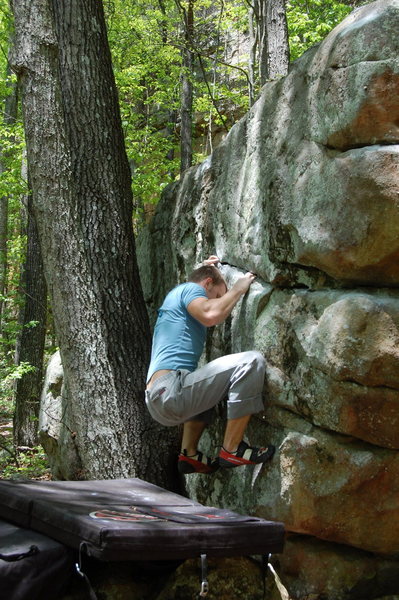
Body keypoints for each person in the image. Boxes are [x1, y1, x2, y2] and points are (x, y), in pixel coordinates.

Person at [145, 256, 275, 474]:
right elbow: (211, 313)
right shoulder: (188, 289)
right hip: (170, 391)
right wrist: (238, 289)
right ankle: (232, 449)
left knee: (208, 386)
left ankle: (190, 454)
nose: (220, 301)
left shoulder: (177, 299)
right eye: (217, 296)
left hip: (158, 400)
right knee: (251, 361)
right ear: (206, 284)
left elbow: (207, 294)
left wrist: (212, 267)